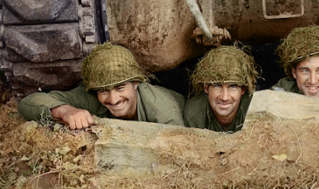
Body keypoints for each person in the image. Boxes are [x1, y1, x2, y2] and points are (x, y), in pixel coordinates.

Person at [18, 42, 185, 129]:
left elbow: (179, 153)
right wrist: (66, 111)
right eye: (104, 90)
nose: (113, 99)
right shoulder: (91, 97)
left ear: (136, 83)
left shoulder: (164, 111)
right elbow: (28, 103)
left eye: (120, 88)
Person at [184, 44, 259, 133]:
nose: (224, 97)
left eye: (233, 87)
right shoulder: (194, 114)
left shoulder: (256, 111)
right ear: (206, 88)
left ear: (242, 90)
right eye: (217, 86)